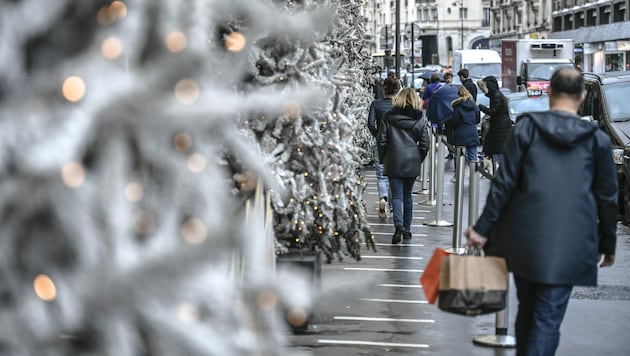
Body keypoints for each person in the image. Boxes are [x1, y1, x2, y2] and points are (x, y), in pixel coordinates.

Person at [465, 67, 618, 356]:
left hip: (524, 238)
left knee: (528, 311)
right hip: (572, 241)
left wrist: (482, 229)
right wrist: (608, 244)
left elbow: (504, 183)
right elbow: (608, 197)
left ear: (549, 92)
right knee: (547, 320)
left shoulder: (527, 129)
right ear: (583, 96)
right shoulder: (596, 140)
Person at [378, 88, 430, 244]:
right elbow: (425, 143)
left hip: (394, 159)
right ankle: (407, 229)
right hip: (412, 160)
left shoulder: (388, 117)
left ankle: (398, 225)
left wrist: (384, 158)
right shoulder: (420, 119)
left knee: (397, 196)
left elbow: (381, 140)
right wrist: (418, 158)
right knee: (408, 196)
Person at [368, 76, 401, 220]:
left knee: (381, 175)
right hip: (397, 143)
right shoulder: (399, 105)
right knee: (394, 174)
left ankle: (383, 198)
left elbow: (370, 123)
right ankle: (393, 206)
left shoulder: (376, 104)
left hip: (380, 142)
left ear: (384, 89)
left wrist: (377, 135)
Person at [444, 86, 480, 180]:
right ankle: (474, 176)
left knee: (458, 155)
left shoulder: (457, 107)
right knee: (473, 155)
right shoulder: (474, 106)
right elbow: (477, 119)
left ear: (458, 95)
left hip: (460, 133)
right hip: (472, 132)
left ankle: (458, 175)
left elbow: (455, 121)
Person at [477, 76, 512, 170]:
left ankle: (493, 168)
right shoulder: (496, 94)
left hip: (499, 127)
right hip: (500, 126)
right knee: (495, 148)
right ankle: (491, 165)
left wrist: (480, 106)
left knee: (496, 148)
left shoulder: (495, 96)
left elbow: (493, 111)